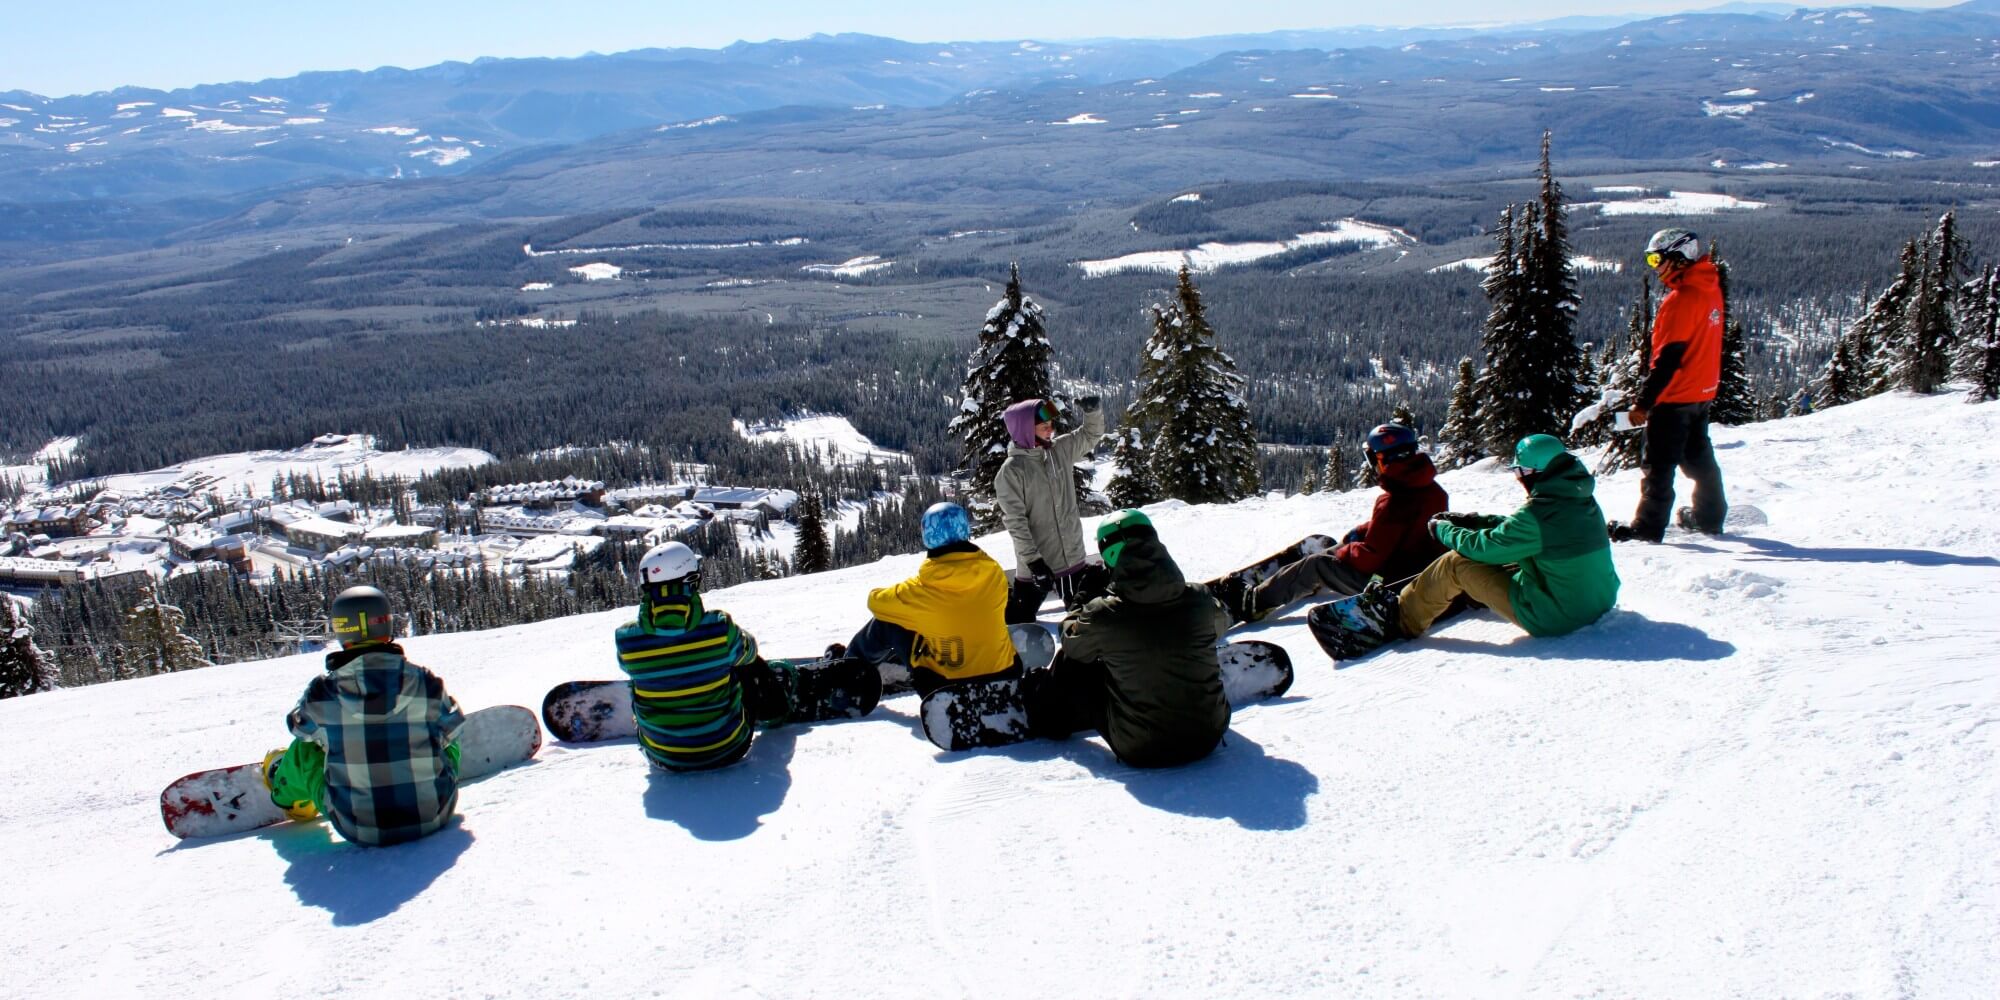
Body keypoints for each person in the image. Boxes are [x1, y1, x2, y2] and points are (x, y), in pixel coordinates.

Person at [614, 541, 869, 773]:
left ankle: (667, 722)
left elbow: (628, 666)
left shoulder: (626, 638)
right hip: (728, 748)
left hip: (663, 758)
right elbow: (750, 650)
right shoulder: (718, 626)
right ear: (690, 580)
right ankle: (776, 706)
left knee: (642, 676)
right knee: (745, 664)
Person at [1351, 435, 1620, 647]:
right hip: (1598, 600)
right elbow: (1527, 533)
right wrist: (1476, 521)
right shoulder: (1579, 499)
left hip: (1558, 617)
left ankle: (1401, 619)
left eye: (1519, 472)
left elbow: (1486, 549)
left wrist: (1444, 531)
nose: (1518, 479)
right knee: (1518, 557)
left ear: (1533, 471)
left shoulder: (1538, 512)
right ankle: (1471, 596)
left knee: (1456, 563)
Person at [1022, 509, 1233, 768]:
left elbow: (1070, 641)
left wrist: (1082, 601)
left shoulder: (1105, 613)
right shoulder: (1199, 599)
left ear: (1110, 556)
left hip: (1142, 748)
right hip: (1209, 735)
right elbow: (1222, 622)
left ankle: (1047, 718)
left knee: (1071, 660)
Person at [261, 585, 466, 847]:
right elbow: (453, 727)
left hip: (359, 827)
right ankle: (423, 773)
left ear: (341, 632)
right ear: (387, 624)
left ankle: (289, 798)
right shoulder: (424, 681)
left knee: (304, 750)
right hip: (435, 814)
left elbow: (299, 728)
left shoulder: (324, 691)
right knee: (446, 729)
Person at [1214, 423, 1449, 624]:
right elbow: (1404, 526)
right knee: (1339, 550)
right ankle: (1295, 579)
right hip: (1417, 573)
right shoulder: (1431, 489)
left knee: (1318, 565)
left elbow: (1370, 559)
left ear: (1381, 458)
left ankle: (1254, 601)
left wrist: (1346, 551)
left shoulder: (1393, 501)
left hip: (1387, 584)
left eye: (1371, 458)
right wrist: (1362, 531)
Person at [1610, 227, 1730, 541]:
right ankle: (1710, 517)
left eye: (1656, 259)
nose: (1653, 266)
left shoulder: (1681, 300)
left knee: (1658, 467)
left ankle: (1647, 529)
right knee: (1699, 459)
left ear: (1677, 257)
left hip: (1675, 396)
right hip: (1701, 393)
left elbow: (1667, 360)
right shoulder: (1709, 287)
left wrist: (1643, 404)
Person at [840, 501, 1018, 697]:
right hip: (1005, 677)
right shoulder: (994, 574)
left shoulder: (920, 591)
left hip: (943, 689)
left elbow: (875, 602)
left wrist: (904, 595)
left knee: (886, 622)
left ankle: (849, 674)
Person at [995, 395, 1107, 622]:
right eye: (1044, 426)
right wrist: (1034, 562)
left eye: (1051, 425)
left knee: (1087, 623)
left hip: (1072, 560)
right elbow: (1016, 522)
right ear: (1025, 429)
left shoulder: (1060, 450)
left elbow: (1090, 435)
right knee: (1019, 626)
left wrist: (1092, 413)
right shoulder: (1011, 471)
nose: (1050, 430)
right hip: (1036, 566)